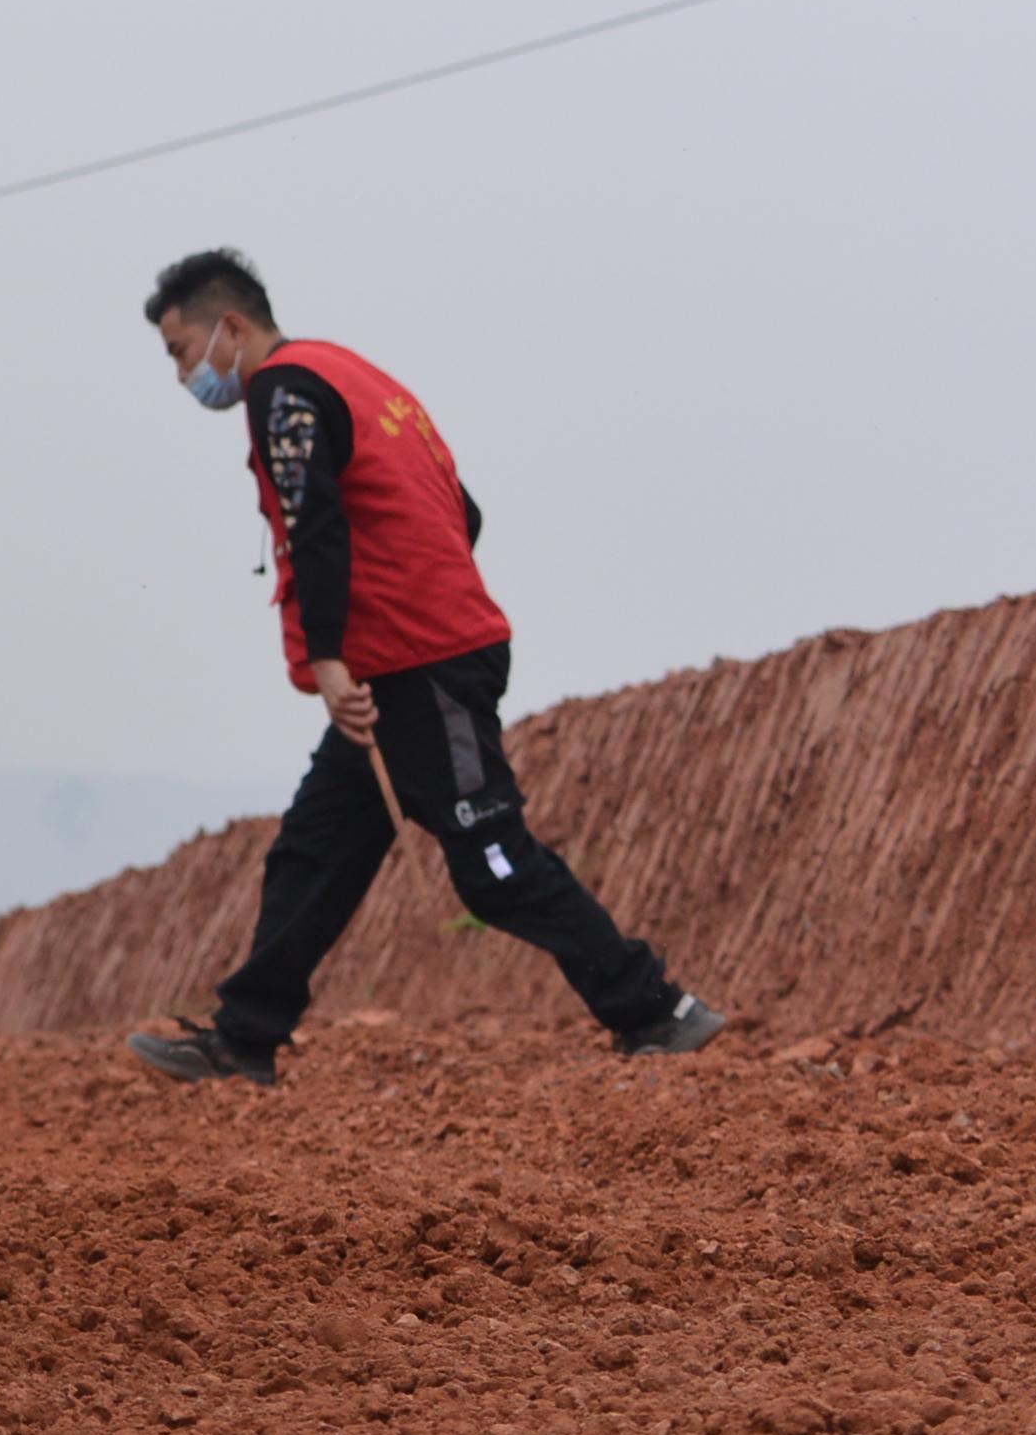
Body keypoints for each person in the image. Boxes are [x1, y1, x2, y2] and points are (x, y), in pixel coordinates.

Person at [126, 248, 724, 1084]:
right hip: (410, 659)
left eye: (181, 352)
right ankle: (246, 1037)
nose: (186, 375)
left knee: (493, 863)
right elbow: (461, 509)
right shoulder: (357, 376)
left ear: (230, 328)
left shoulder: (281, 391)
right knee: (317, 848)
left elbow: (315, 525)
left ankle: (657, 1010)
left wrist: (332, 656)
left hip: (419, 666)